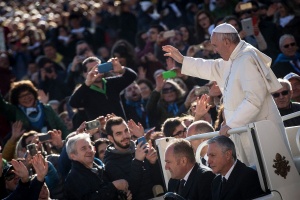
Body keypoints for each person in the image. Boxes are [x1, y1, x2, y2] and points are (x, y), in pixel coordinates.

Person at [162, 23, 287, 162]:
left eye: (215, 45)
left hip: (263, 132)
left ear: (227, 42)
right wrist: (182, 59)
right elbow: (209, 67)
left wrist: (231, 124)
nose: (214, 50)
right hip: (247, 131)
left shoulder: (246, 58)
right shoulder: (231, 60)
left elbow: (254, 99)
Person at [103, 116, 163, 200]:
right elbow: (131, 191)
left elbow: (159, 180)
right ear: (110, 138)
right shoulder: (110, 164)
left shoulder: (139, 147)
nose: (125, 136)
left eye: (126, 131)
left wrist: (153, 163)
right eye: (118, 133)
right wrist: (138, 161)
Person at [64, 133, 131, 200]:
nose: (89, 151)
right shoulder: (73, 178)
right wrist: (113, 186)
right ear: (73, 156)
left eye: (90, 147)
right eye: (83, 148)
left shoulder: (100, 168)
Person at [68, 56, 137, 121]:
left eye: (98, 68)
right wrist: (86, 84)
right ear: (84, 74)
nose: (96, 71)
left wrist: (121, 69)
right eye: (91, 70)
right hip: (101, 132)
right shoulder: (85, 90)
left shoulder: (111, 83)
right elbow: (73, 103)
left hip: (121, 128)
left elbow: (132, 76)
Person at [0, 80, 69, 139]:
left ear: (34, 94)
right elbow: (2, 105)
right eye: (21, 96)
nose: (26, 98)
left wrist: (67, 142)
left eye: (28, 94)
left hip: (51, 146)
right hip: (28, 150)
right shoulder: (15, 112)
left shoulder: (47, 108)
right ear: (16, 100)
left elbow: (61, 127)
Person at [207, 135, 265, 200]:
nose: (209, 161)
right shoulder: (216, 182)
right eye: (208, 156)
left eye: (212, 155)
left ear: (228, 155)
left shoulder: (248, 177)